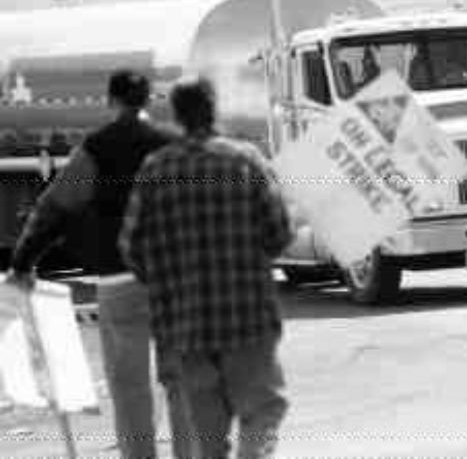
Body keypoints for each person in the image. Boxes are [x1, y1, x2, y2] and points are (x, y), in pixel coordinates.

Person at [5, 69, 182, 458]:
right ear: (150, 99)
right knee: (183, 379)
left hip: (119, 281)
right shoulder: (174, 146)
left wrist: (23, 262)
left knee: (129, 385)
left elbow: (56, 208)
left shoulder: (97, 148)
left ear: (111, 101)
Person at [118, 76, 293, 458]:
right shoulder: (245, 160)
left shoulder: (154, 169)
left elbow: (131, 247)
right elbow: (279, 232)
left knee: (207, 438)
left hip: (186, 328)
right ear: (213, 108)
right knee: (263, 411)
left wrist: (168, 282)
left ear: (177, 115)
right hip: (247, 321)